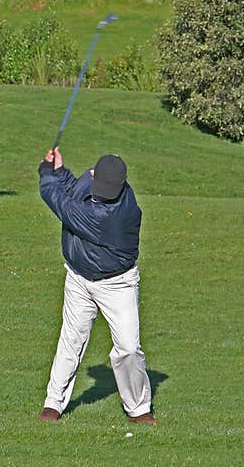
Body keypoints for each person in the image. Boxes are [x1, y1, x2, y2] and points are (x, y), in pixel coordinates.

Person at [37, 147, 156, 424]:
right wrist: (60, 171)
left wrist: (46, 174)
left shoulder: (115, 215)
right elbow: (74, 190)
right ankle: (53, 403)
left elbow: (59, 202)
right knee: (71, 340)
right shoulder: (98, 183)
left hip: (117, 285)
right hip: (79, 278)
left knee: (128, 348)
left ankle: (138, 409)